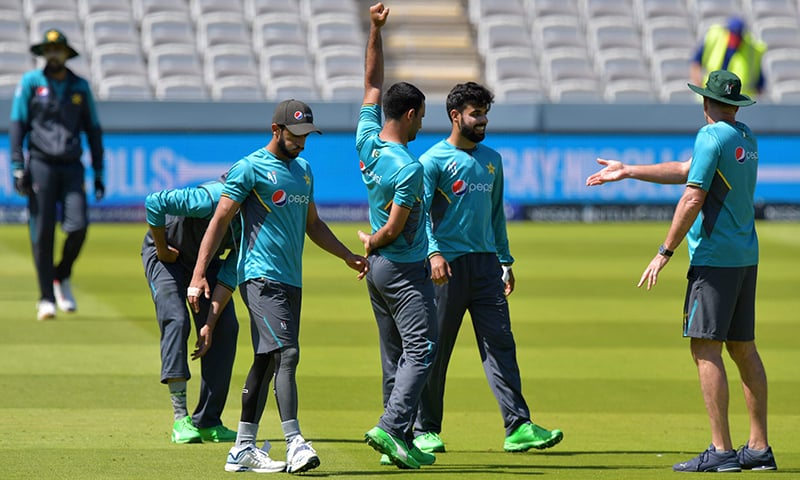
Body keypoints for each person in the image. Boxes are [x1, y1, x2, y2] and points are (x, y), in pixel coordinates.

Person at [589, 70, 776, 472]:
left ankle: (721, 451)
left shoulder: (710, 136)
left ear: (705, 101)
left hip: (714, 259)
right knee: (744, 348)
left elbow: (692, 196)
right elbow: (685, 169)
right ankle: (758, 449)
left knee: (705, 347)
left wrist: (664, 251)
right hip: (745, 255)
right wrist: (629, 170)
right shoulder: (744, 136)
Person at [188, 99, 368, 474]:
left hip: (291, 281)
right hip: (260, 277)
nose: (302, 143)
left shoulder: (303, 170)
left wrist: (346, 255)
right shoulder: (250, 168)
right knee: (288, 353)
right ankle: (295, 441)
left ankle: (242, 448)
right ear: (277, 130)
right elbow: (219, 221)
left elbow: (313, 224)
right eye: (296, 134)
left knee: (267, 360)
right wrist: (199, 273)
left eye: (307, 136)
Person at [412, 82, 564, 455]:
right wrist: (433, 254)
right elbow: (421, 217)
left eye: (484, 113)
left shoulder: (492, 160)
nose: (482, 120)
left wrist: (506, 260)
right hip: (445, 268)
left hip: (485, 268)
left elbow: (497, 215)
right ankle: (424, 429)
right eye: (475, 114)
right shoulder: (432, 161)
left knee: (501, 346)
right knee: (435, 350)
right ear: (455, 116)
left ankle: (518, 427)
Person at [356, 3, 438, 470]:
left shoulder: (367, 141)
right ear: (408, 114)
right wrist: (372, 240)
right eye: (421, 116)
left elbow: (371, 82)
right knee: (422, 349)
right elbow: (393, 227)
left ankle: (398, 441)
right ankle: (390, 428)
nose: (424, 123)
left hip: (379, 275)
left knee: (395, 356)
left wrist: (374, 30)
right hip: (403, 268)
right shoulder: (409, 168)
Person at [9, 29, 106, 321]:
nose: (53, 54)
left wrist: (99, 171)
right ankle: (46, 298)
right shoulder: (31, 83)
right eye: (49, 49)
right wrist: (17, 166)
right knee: (43, 233)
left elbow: (94, 130)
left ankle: (61, 275)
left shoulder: (80, 86)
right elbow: (17, 125)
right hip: (40, 164)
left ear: (66, 52)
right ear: (43, 53)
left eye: (58, 49)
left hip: (72, 166)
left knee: (78, 227)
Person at [142, 179, 241, 444]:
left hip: (205, 264)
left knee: (226, 327)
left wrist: (209, 322)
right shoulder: (208, 199)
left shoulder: (252, 224)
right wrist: (162, 249)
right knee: (176, 318)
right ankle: (180, 419)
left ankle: (208, 421)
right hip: (167, 256)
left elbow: (229, 276)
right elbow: (154, 201)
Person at [690, 16, 766, 100]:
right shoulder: (714, 38)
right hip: (710, 96)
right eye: (732, 34)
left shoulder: (752, 51)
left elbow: (759, 85)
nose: (734, 38)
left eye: (737, 35)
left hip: (737, 102)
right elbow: (695, 63)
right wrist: (699, 85)